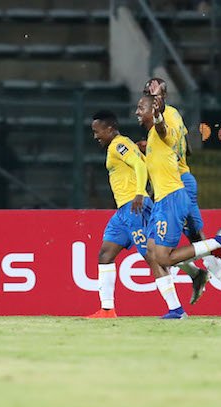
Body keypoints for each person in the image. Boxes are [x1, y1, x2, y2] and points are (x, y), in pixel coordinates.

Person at [144, 78, 221, 316]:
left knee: (161, 251)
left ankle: (203, 267)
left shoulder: (166, 116)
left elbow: (165, 132)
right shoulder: (177, 117)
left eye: (152, 96)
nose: (146, 103)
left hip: (175, 185)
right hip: (182, 180)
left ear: (160, 99)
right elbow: (186, 148)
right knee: (192, 244)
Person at [84, 111, 152, 319]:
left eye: (98, 131)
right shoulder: (124, 143)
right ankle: (107, 310)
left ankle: (197, 270)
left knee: (155, 257)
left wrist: (140, 194)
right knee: (105, 254)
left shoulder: (118, 145)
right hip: (123, 212)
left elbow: (140, 165)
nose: (96, 136)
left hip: (134, 206)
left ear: (110, 129)